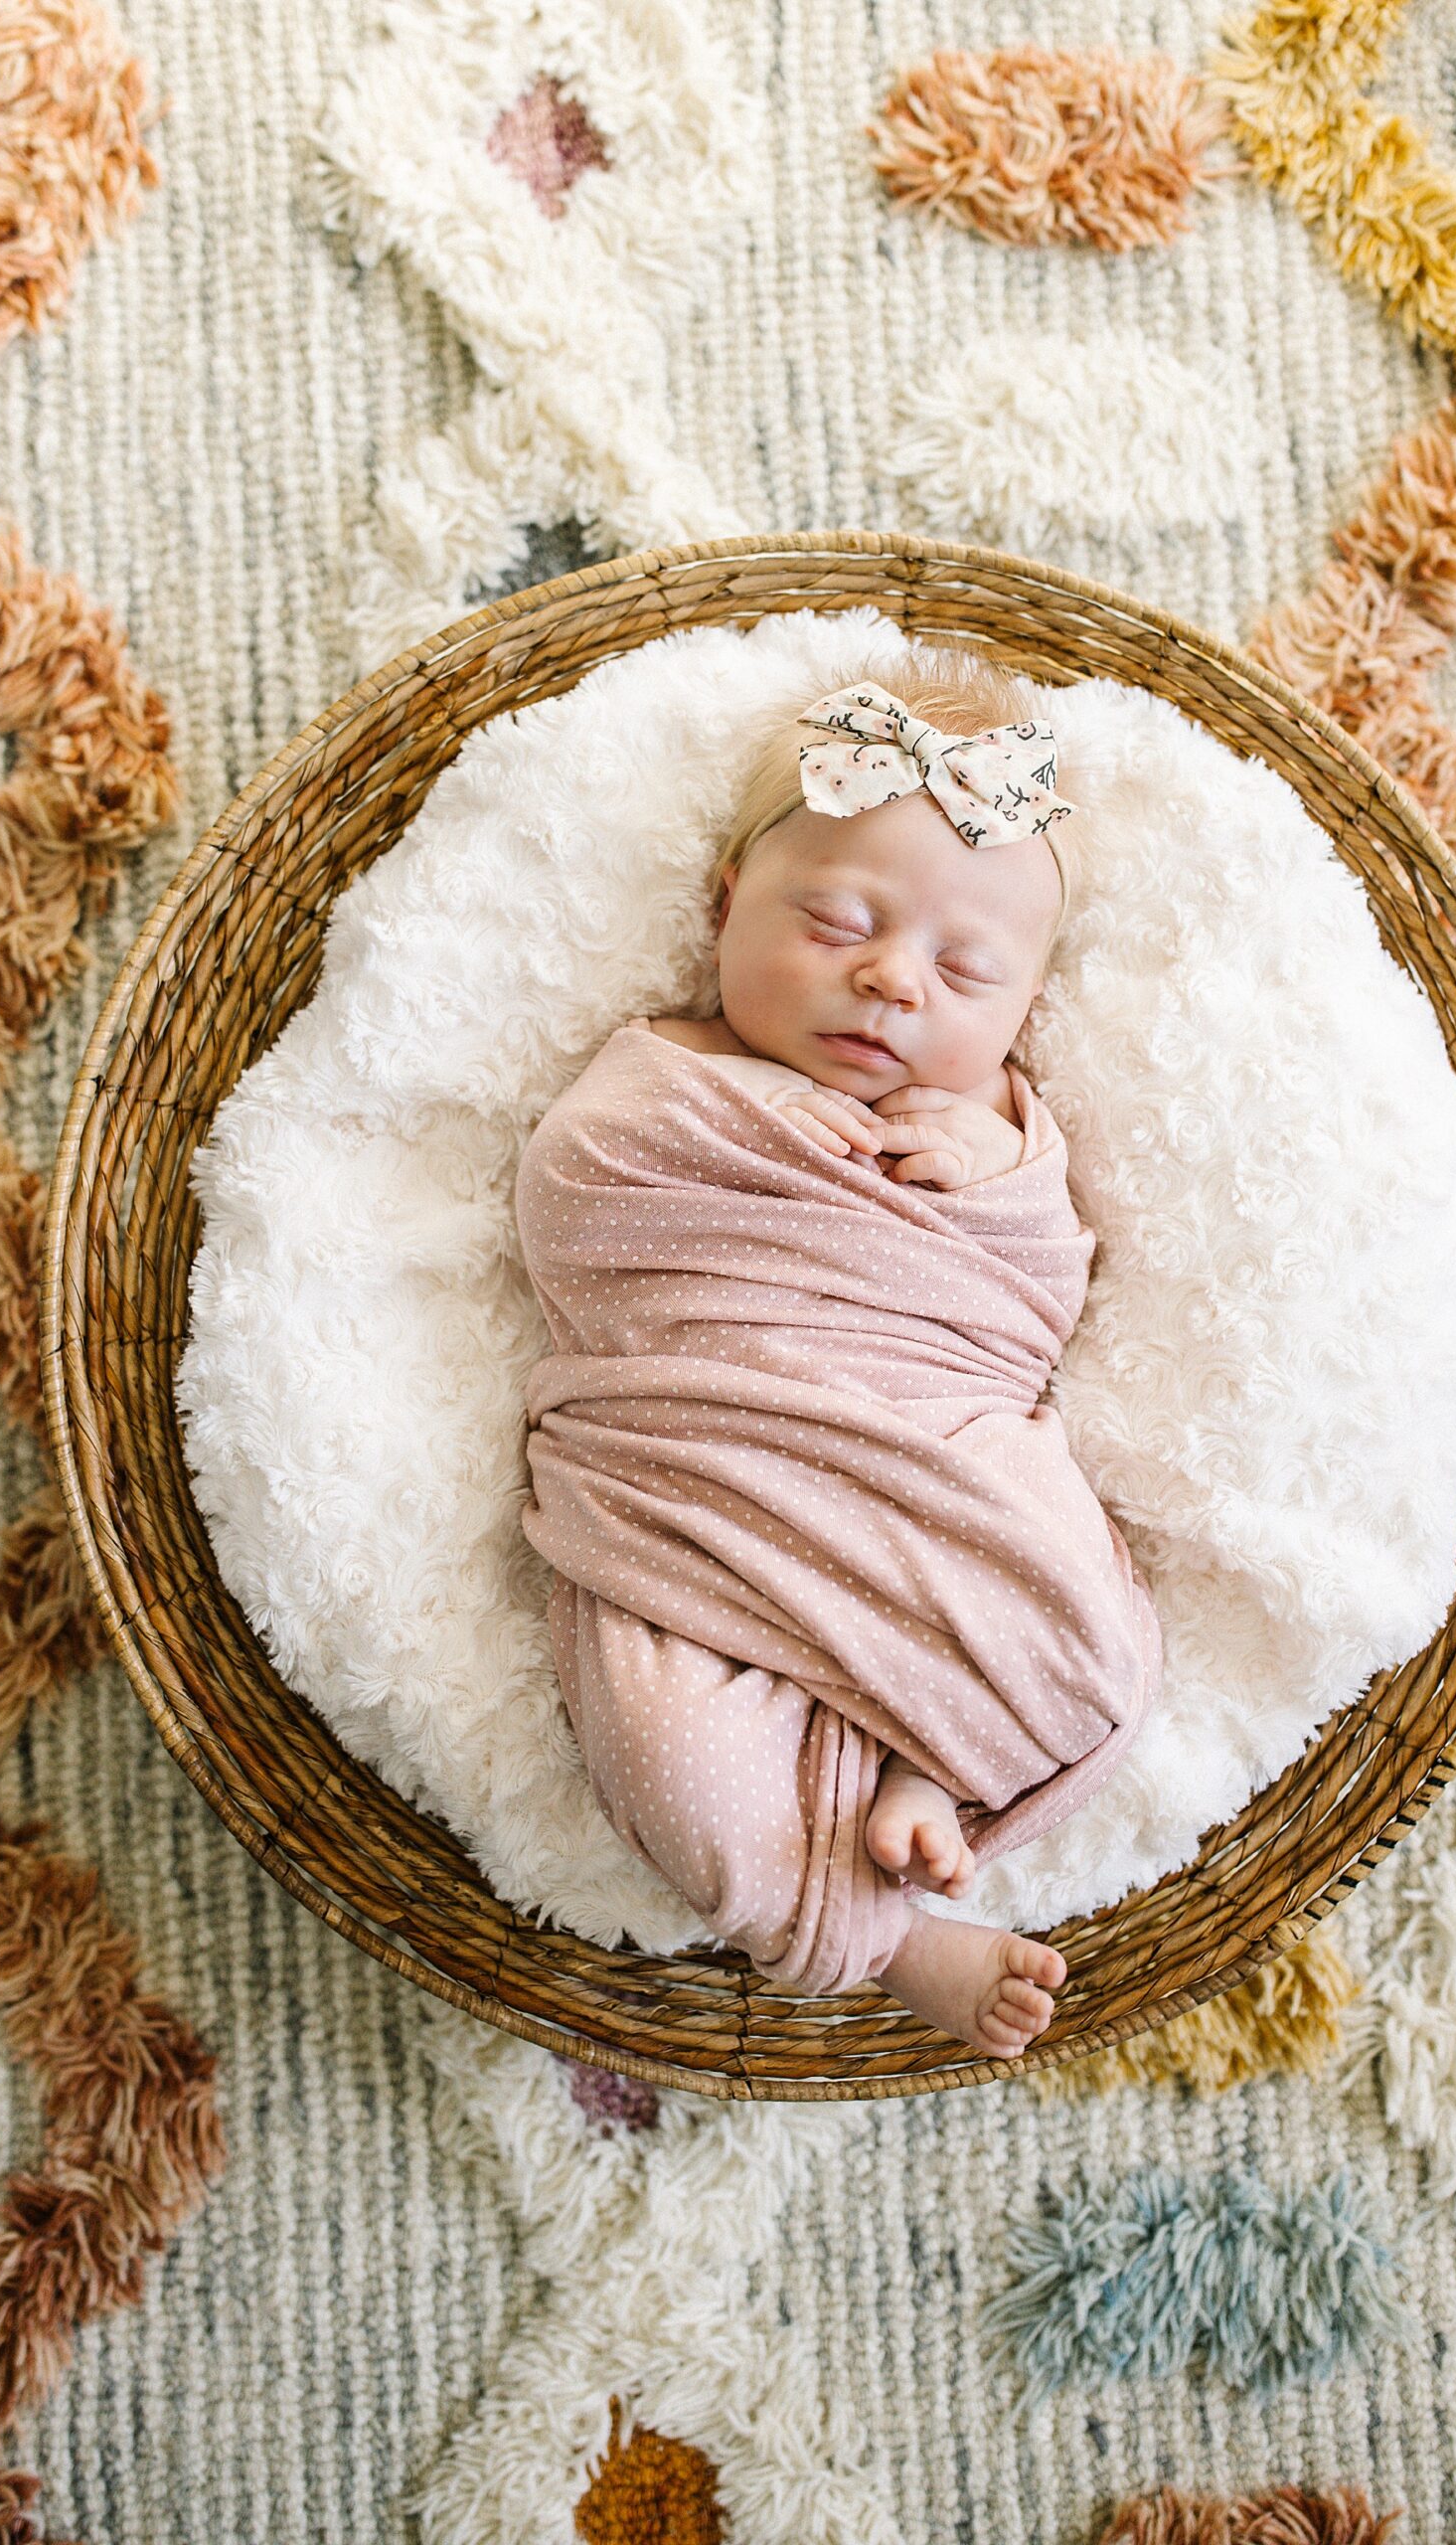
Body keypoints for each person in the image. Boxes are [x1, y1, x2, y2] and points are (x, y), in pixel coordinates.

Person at [514, 645, 1163, 2057]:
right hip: (703, 1495)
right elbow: (570, 1210)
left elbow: (1040, 1298)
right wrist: (787, 1153)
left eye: (963, 968)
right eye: (837, 920)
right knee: (672, 1769)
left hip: (929, 1458)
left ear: (1025, 1004)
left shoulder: (1001, 1125)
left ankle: (938, 1772)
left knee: (1100, 1655)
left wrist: (994, 1175)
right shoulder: (662, 1088)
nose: (889, 981)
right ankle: (888, 1937)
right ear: (726, 905)